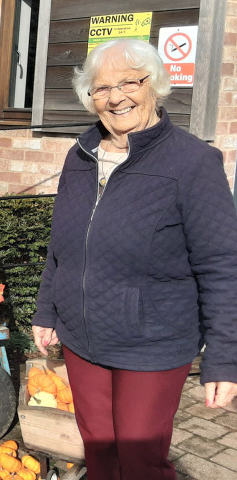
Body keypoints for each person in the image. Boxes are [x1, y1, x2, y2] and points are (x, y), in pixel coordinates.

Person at [31, 38, 237, 480]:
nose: (116, 97)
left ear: (155, 86)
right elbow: (61, 245)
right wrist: (46, 310)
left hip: (152, 343)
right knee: (101, 454)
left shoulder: (193, 162)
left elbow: (222, 264)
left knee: (142, 461)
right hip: (81, 337)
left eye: (129, 82)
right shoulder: (80, 156)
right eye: (102, 88)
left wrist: (224, 357)